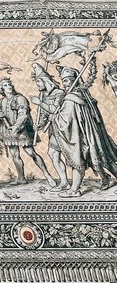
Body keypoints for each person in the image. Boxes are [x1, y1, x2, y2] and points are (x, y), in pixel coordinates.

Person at [34, 64, 117, 197]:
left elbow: (64, 119)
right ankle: (105, 179)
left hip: (79, 136)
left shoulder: (71, 98)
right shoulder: (75, 95)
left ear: (73, 80)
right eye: (63, 80)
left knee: (80, 160)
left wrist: (44, 107)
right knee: (99, 158)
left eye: (66, 80)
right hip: (85, 134)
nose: (64, 83)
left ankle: (74, 190)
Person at [0, 77, 56, 187]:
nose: (8, 86)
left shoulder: (20, 98)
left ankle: (48, 175)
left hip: (22, 130)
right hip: (8, 131)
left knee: (31, 153)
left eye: (9, 84)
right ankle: (21, 178)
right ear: (1, 89)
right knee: (15, 154)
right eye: (5, 85)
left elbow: (23, 114)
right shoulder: (0, 101)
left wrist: (16, 126)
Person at [31, 64, 69, 192]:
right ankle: (64, 182)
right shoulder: (44, 96)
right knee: (53, 154)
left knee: (70, 155)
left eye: (38, 82)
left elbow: (56, 110)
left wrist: (40, 103)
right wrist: (40, 125)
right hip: (54, 130)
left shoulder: (60, 93)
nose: (38, 85)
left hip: (65, 129)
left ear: (45, 81)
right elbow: (44, 115)